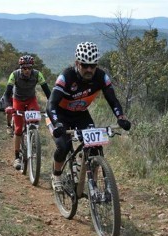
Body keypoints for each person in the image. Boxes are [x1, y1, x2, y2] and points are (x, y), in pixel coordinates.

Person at [46, 41, 131, 191]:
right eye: (85, 65)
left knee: (95, 146)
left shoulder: (101, 77)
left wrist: (121, 117)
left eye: (93, 65)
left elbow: (113, 100)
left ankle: (94, 186)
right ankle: (56, 175)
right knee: (64, 146)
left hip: (80, 114)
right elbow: (51, 104)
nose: (89, 69)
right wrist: (57, 122)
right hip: (60, 115)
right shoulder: (66, 76)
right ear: (77, 63)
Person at [4, 55, 51, 170]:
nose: (27, 70)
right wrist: (9, 106)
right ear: (20, 68)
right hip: (18, 100)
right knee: (19, 129)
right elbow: (7, 93)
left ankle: (33, 140)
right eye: (24, 68)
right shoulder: (14, 75)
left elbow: (48, 92)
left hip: (31, 100)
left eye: (29, 68)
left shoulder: (37, 74)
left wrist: (52, 104)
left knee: (34, 121)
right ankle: (17, 157)